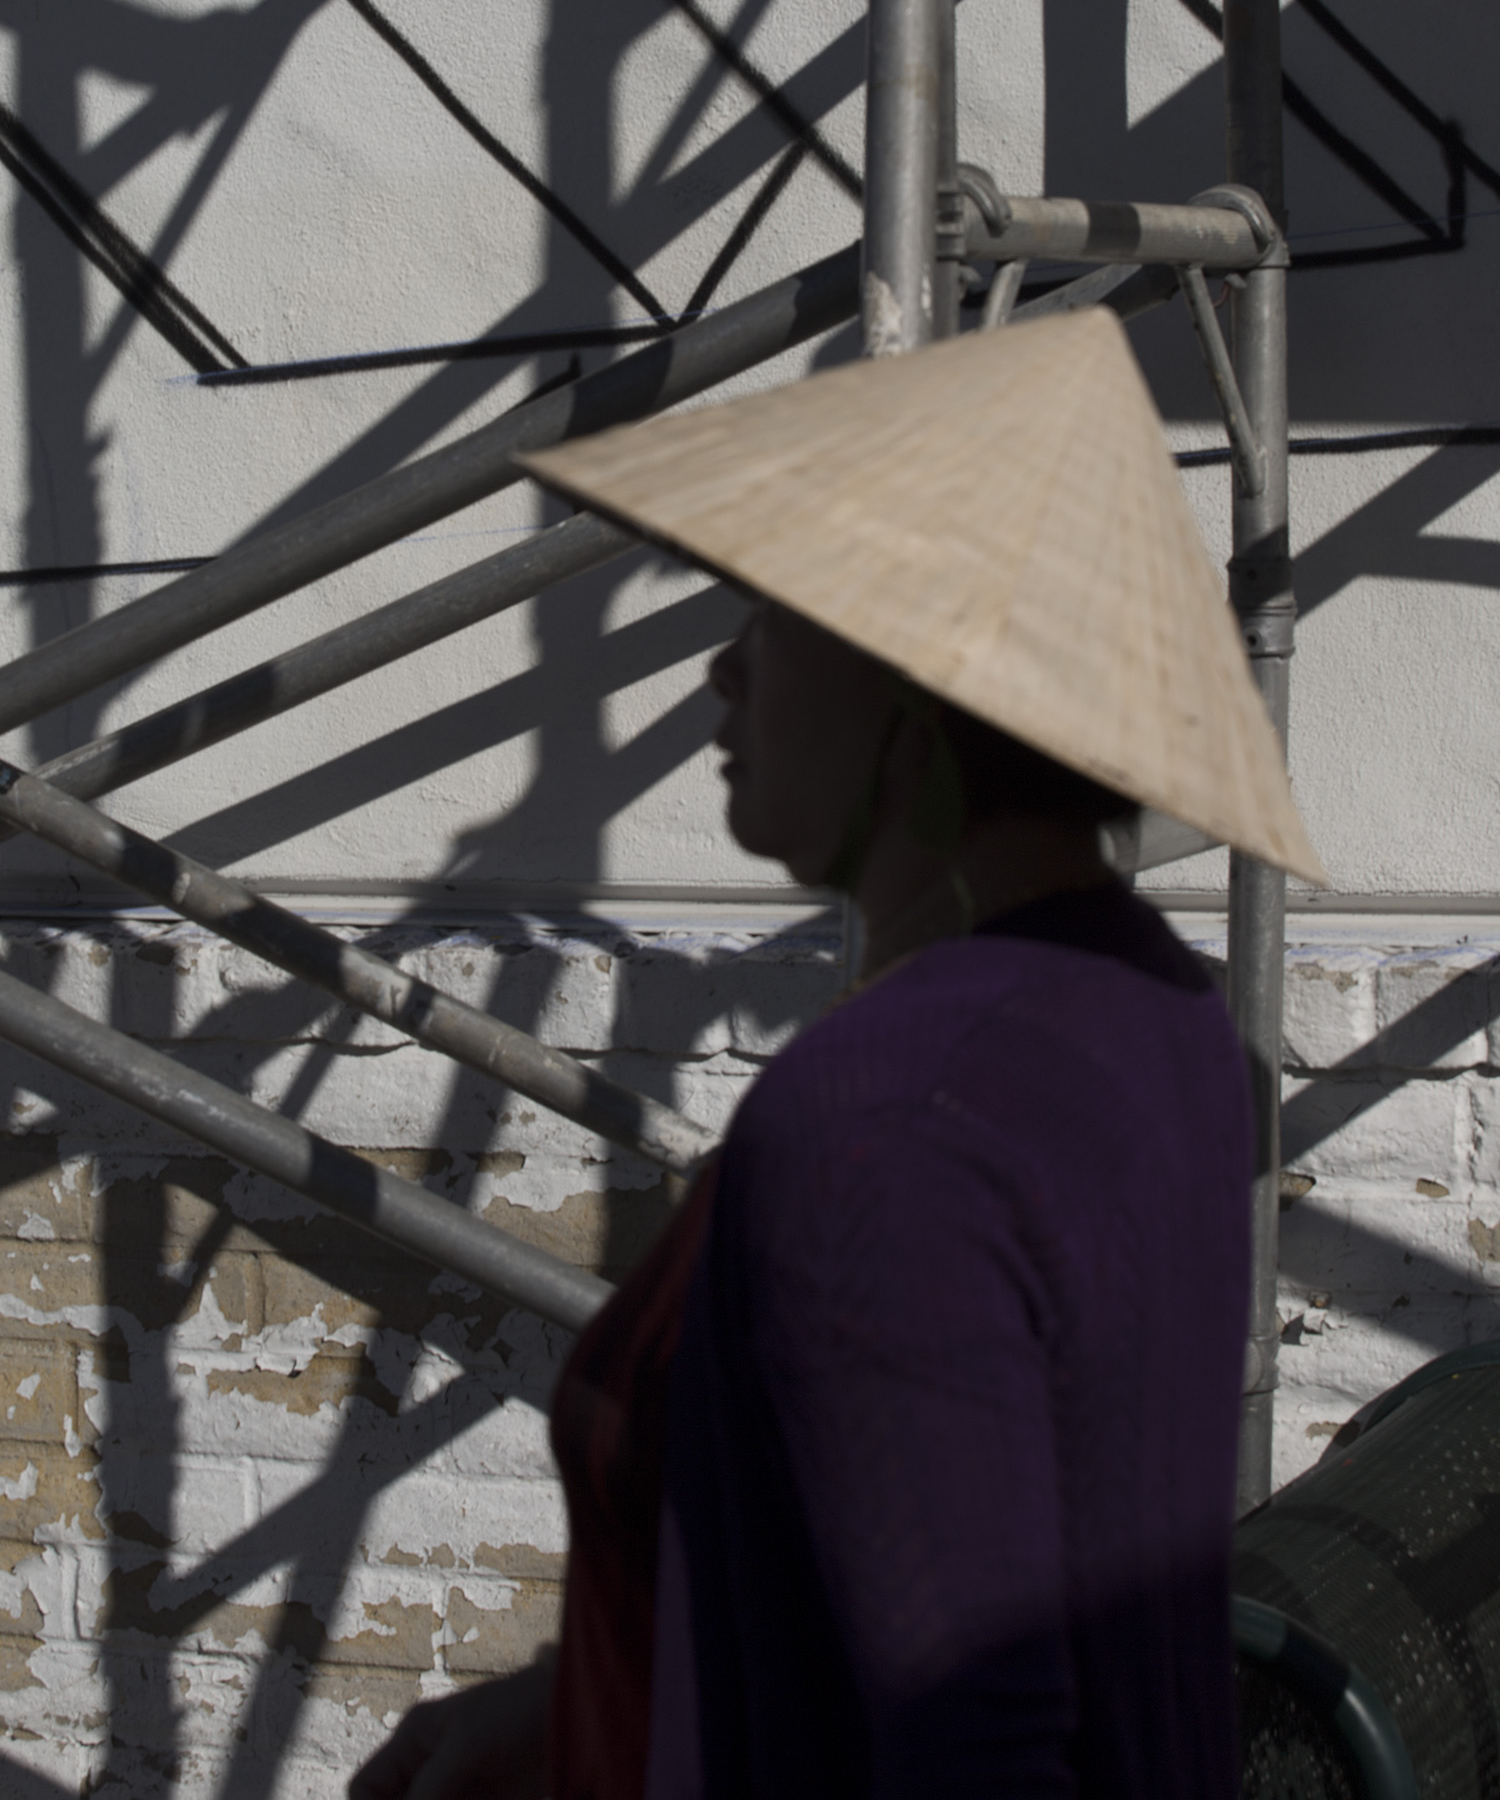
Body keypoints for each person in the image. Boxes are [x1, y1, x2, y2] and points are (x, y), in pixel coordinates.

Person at [350, 307, 1322, 1800]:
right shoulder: (1148, 1007)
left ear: (918, 677)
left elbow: (972, 1743)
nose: (720, 680)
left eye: (772, 617)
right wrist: (570, 1710)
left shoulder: (891, 1119)